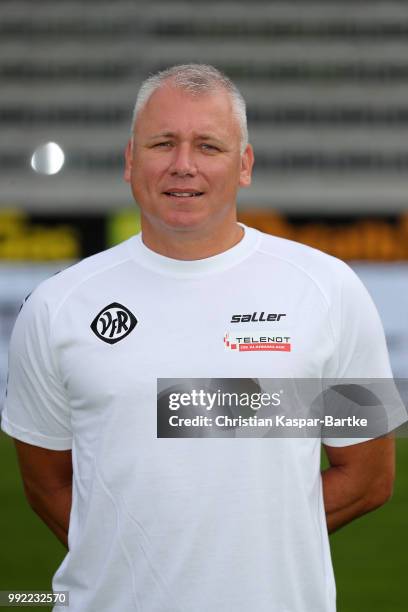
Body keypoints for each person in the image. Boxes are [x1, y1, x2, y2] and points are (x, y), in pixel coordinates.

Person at [1, 64, 404, 612]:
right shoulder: (57, 305)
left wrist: (241, 550)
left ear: (244, 165)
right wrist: (147, 557)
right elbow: (47, 485)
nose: (182, 165)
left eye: (208, 146)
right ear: (129, 160)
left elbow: (368, 478)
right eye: (162, 143)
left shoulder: (329, 288)